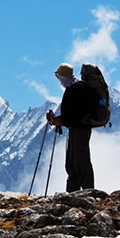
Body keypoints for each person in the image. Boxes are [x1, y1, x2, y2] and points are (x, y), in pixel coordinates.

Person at [45, 63, 98, 192]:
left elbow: (77, 113)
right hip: (76, 128)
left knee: (80, 161)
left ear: (64, 75)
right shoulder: (73, 87)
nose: (59, 79)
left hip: (80, 128)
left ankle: (87, 192)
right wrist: (59, 120)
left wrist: (60, 120)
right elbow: (73, 113)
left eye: (59, 76)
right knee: (72, 162)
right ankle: (73, 192)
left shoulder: (77, 88)